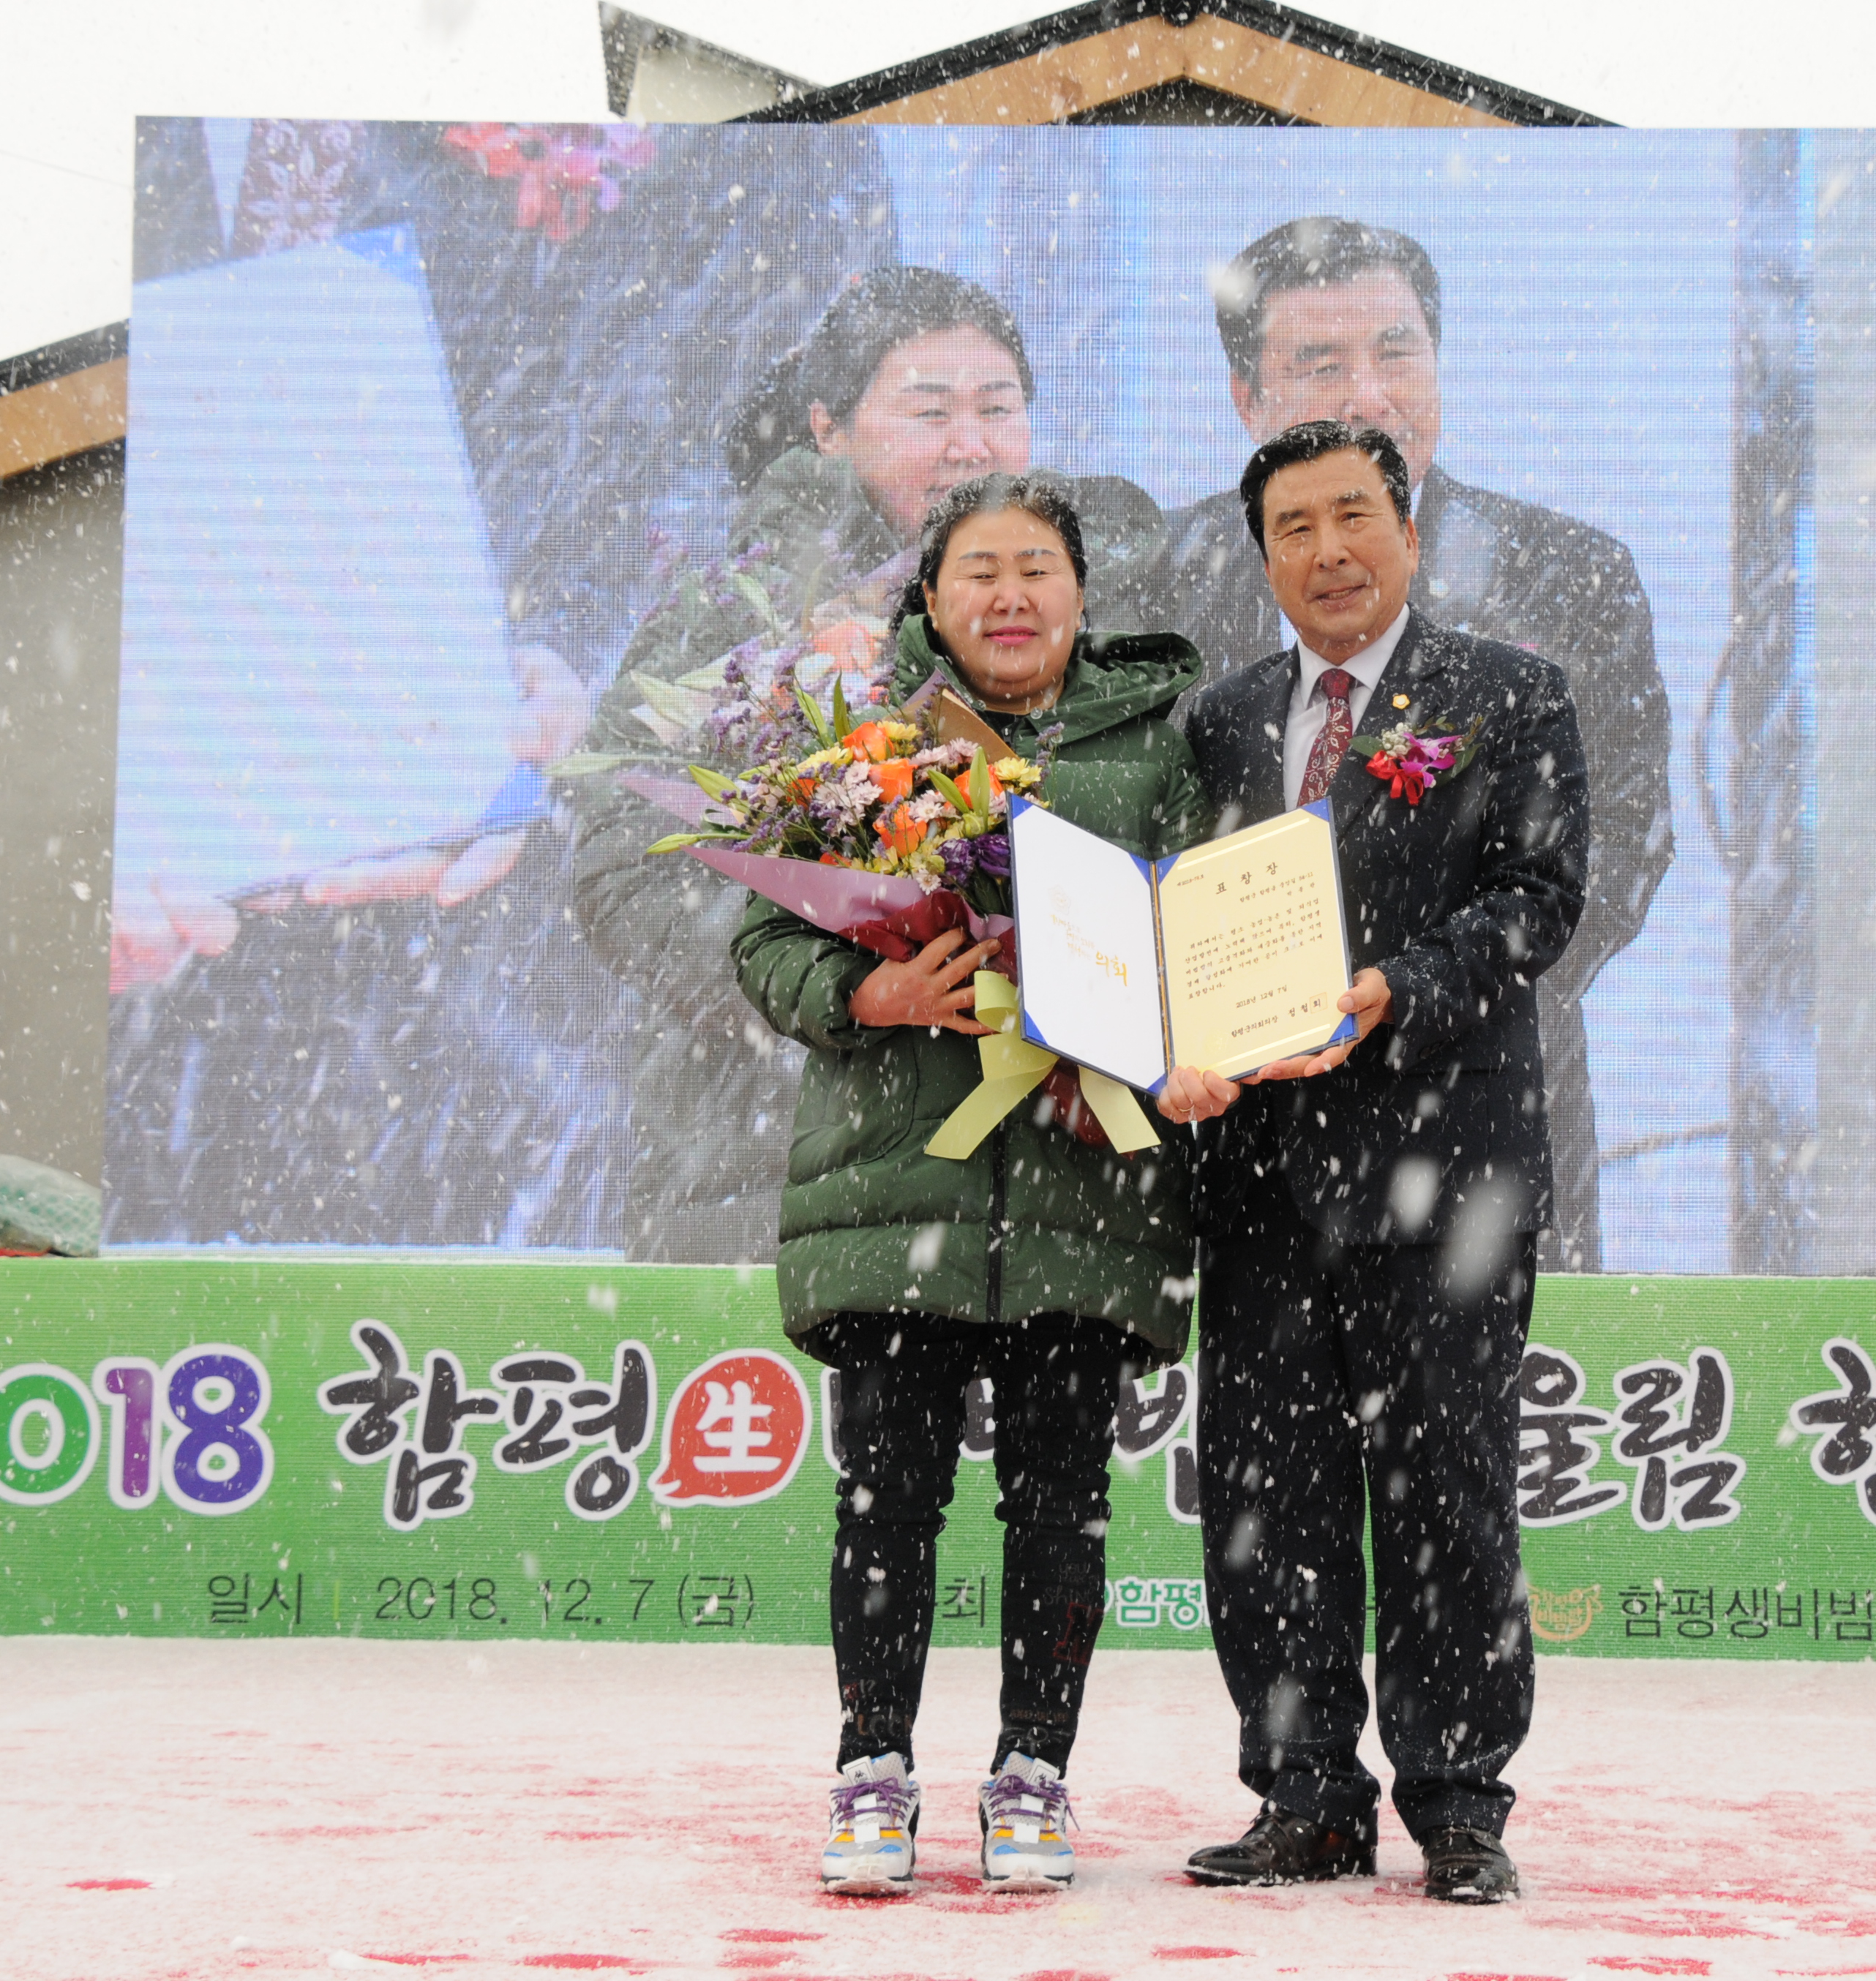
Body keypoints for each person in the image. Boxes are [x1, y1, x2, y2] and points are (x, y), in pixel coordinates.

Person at [730, 472, 1211, 1895]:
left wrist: (1139, 1008)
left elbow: (1199, 937)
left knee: (1060, 1500)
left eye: (1037, 570)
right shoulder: (859, 748)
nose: (1008, 595)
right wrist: (868, 987)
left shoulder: (1157, 753)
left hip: (1083, 1183)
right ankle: (869, 1762)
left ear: (1079, 596)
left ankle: (1032, 1773)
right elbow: (764, 943)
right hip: (900, 1187)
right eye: (978, 571)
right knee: (887, 1493)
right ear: (930, 601)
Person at [1158, 421, 1588, 1906]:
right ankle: (1304, 1795)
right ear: (1260, 552)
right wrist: (1170, 1041)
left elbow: (1539, 896)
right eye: (1292, 526)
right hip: (1262, 1176)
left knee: (1443, 1489)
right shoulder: (1215, 725)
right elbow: (1178, 924)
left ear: (1405, 528)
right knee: (1264, 1495)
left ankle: (1459, 1802)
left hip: (1442, 1162)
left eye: (1352, 514)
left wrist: (1399, 983)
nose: (1326, 550)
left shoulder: (1507, 693)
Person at [573, 267, 1162, 1263]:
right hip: (768, 1167)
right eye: (929, 411)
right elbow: (618, 862)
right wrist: (839, 981)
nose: (970, 443)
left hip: (1048, 1175)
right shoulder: (734, 617)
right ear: (828, 428)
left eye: (998, 408)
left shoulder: (1112, 603)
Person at [1155, 216, 1669, 1272]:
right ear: (1246, 399)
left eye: (1397, 352)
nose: (1368, 392)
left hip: (1475, 1113)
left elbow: (1618, 844)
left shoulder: (1565, 574)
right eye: (1320, 362)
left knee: (1474, 1438)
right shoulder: (1172, 572)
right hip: (1241, 1127)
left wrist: (1430, 992)